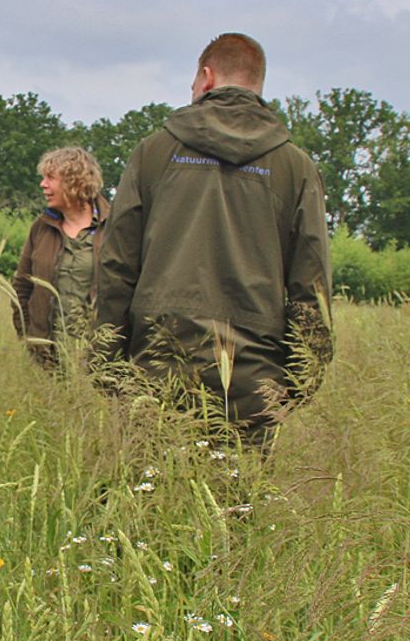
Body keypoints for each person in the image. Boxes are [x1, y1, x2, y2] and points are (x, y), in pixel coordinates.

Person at [93, 33, 332, 440]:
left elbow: (117, 266)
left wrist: (107, 364)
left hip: (156, 367)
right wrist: (299, 381)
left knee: (153, 480)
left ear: (206, 77)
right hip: (254, 379)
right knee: (239, 482)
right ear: (257, 82)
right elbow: (312, 284)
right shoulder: (295, 166)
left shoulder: (153, 153)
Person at [12, 146, 108, 367]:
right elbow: (22, 287)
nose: (43, 184)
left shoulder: (114, 227)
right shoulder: (41, 227)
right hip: (46, 357)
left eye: (50, 178)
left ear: (74, 182)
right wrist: (29, 337)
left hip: (96, 358)